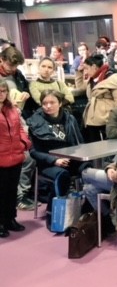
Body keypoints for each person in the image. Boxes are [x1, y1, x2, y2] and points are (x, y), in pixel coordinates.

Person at [27, 89, 84, 224]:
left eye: (52, 102)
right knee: (62, 175)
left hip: (71, 158)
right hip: (47, 163)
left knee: (90, 169)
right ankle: (55, 216)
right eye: (44, 103)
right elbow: (33, 152)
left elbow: (79, 143)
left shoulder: (70, 118)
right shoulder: (34, 122)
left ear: (60, 103)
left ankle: (91, 211)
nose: (48, 106)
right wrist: (54, 160)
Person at [0, 78, 31, 237]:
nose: (2, 94)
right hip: (1, 158)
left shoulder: (12, 109)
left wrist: (24, 144)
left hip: (15, 156)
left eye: (4, 91)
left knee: (12, 191)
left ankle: (10, 219)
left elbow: (20, 129)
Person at [76, 54, 117, 142]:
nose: (85, 71)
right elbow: (80, 86)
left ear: (94, 67)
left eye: (86, 68)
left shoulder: (111, 79)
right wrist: (79, 72)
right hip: (92, 117)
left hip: (106, 118)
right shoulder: (92, 80)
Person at [0, 46, 34, 118]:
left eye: (16, 66)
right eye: (10, 65)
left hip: (18, 114)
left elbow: (26, 88)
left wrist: (26, 93)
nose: (13, 68)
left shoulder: (17, 74)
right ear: (1, 59)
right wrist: (7, 103)